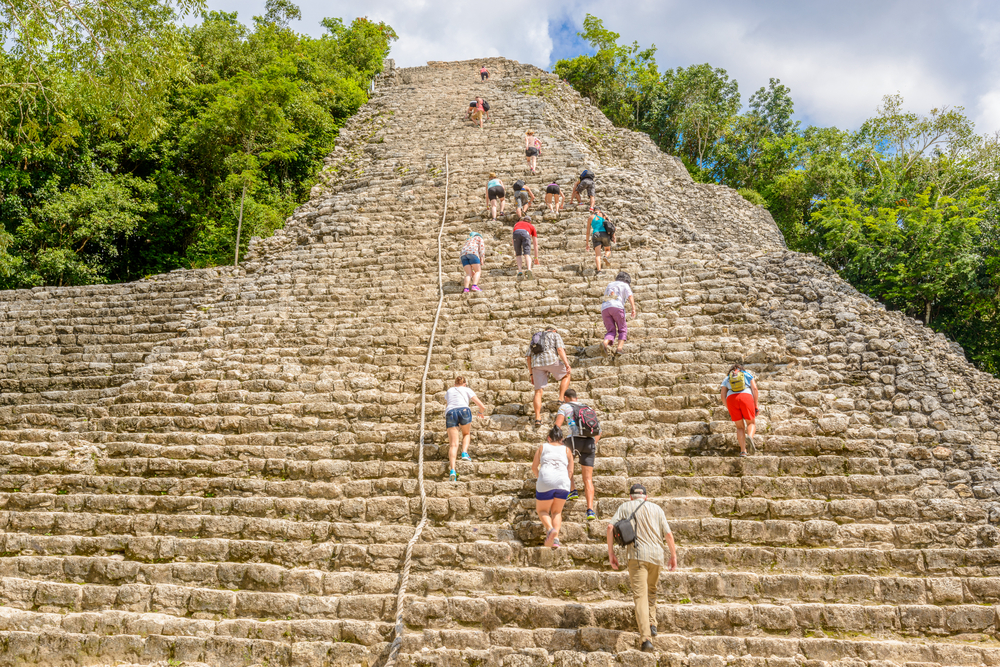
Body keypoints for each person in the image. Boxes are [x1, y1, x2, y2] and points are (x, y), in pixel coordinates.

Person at [607, 483, 677, 653]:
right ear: (645, 496)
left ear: (631, 496)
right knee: (651, 590)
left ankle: (646, 638)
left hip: (637, 556)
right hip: (657, 556)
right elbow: (668, 534)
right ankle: (652, 623)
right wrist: (673, 555)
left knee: (640, 596)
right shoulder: (657, 509)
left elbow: (610, 527)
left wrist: (611, 554)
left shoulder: (625, 507)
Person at [554, 389, 599, 521]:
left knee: (567, 465)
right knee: (588, 479)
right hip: (590, 442)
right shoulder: (588, 407)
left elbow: (557, 425)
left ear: (566, 397)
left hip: (573, 441)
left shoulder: (565, 406)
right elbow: (598, 430)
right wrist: (592, 443)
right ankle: (590, 510)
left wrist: (557, 440)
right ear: (576, 397)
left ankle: (573, 490)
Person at [532, 426, 573, 548]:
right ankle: (555, 540)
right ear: (562, 439)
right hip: (563, 482)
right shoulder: (567, 450)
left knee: (542, 510)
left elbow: (534, 467)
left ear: (549, 438)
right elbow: (570, 472)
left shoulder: (542, 447)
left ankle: (550, 529)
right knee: (557, 512)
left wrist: (542, 478)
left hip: (546, 479)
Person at [526, 325, 571, 428]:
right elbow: (560, 349)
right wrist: (567, 364)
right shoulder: (555, 335)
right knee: (566, 375)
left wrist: (531, 374)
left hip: (536, 365)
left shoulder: (536, 337)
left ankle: (537, 418)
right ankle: (560, 398)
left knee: (538, 391)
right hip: (551, 361)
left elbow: (528, 357)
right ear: (554, 330)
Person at [445, 376, 487, 481]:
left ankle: (452, 470)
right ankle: (464, 452)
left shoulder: (450, 390)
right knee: (466, 434)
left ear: (455, 384)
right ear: (465, 384)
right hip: (464, 410)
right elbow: (482, 406)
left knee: (453, 445)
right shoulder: (467, 389)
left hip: (450, 412)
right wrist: (480, 412)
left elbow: (448, 404)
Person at [719, 364, 760, 456]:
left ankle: (743, 451)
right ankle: (749, 437)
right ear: (741, 370)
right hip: (746, 397)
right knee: (751, 423)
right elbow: (755, 389)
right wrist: (756, 405)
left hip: (731, 400)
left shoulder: (727, 379)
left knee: (740, 427)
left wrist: (729, 407)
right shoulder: (746, 374)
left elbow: (722, 396)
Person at [601, 271, 636, 356]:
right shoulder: (625, 285)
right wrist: (633, 309)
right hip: (617, 308)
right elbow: (630, 296)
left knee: (611, 330)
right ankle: (619, 349)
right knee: (622, 328)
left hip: (605, 308)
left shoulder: (610, 284)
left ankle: (605, 343)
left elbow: (608, 296)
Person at [587, 207, 615, 274]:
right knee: (608, 250)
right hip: (605, 234)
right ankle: (605, 256)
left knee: (598, 255)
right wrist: (614, 236)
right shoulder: (604, 215)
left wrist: (587, 243)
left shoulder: (590, 217)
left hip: (596, 235)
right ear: (600, 210)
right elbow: (611, 226)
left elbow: (588, 232)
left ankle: (599, 271)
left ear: (593, 211)